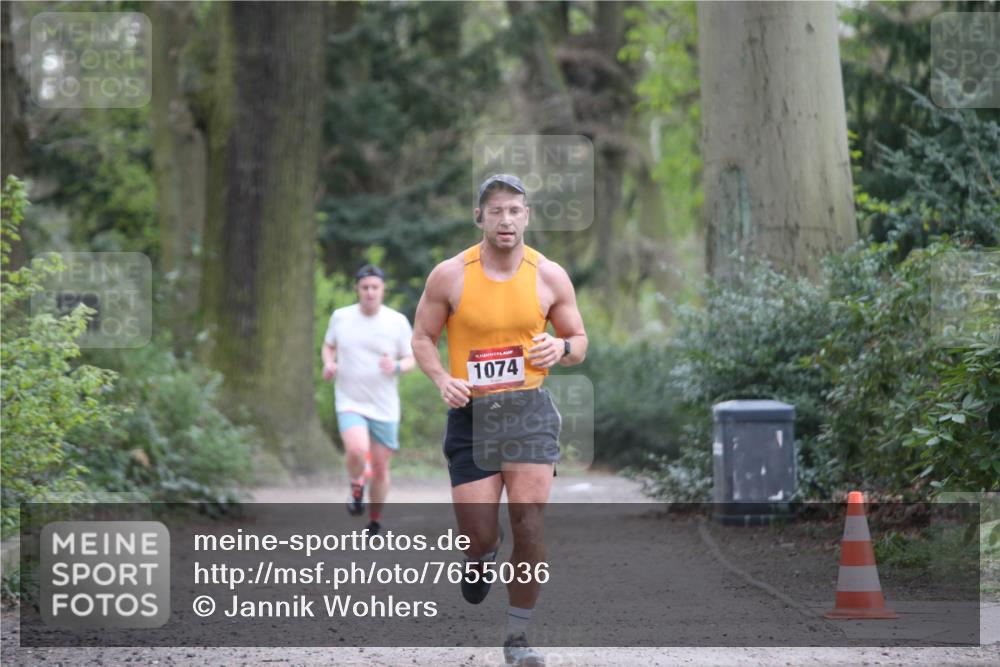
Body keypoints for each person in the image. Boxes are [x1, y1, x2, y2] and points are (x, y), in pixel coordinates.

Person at [412, 174, 587, 667]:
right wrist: (442, 378)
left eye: (514, 210)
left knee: (529, 525)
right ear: (479, 217)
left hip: (529, 412)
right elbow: (423, 336)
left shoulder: (549, 275)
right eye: (496, 211)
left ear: (527, 217)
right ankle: (479, 557)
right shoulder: (450, 275)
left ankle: (517, 637)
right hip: (471, 416)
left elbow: (578, 340)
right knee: (478, 534)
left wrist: (562, 347)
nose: (505, 219)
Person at [322, 264, 416, 535]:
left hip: (384, 406)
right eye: (365, 287)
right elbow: (329, 346)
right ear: (357, 289)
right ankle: (355, 483)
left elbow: (411, 359)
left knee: (380, 466)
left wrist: (396, 366)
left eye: (375, 287)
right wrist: (329, 364)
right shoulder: (341, 317)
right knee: (355, 449)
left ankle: (374, 520)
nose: (370, 292)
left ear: (383, 289)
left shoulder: (396, 321)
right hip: (349, 399)